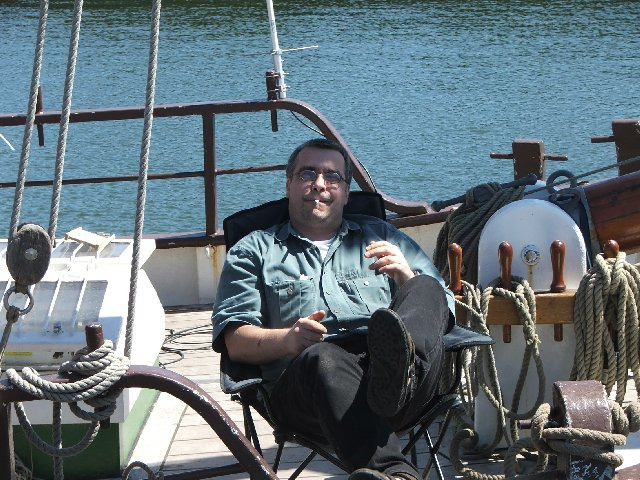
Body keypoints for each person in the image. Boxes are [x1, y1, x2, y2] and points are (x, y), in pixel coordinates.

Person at [212, 138, 455, 480]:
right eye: (307, 173)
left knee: (425, 285)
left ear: (346, 192)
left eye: (332, 176)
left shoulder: (382, 236)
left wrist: (405, 276)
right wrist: (289, 339)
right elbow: (235, 340)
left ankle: (401, 373)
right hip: (311, 391)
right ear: (288, 184)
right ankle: (392, 469)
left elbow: (442, 303)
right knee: (323, 358)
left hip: (399, 384)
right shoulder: (254, 250)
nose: (319, 184)